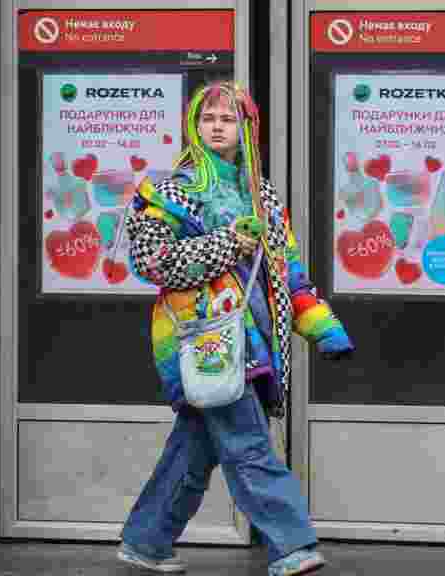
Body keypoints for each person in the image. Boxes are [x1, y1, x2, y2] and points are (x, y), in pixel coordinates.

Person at [117, 80, 354, 575]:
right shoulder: (167, 190)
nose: (218, 126)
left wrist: (323, 328)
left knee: (195, 447)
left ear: (247, 127)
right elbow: (153, 262)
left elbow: (288, 270)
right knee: (247, 442)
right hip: (203, 337)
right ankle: (292, 546)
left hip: (256, 340)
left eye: (229, 118)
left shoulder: (261, 195)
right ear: (193, 127)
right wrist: (226, 243)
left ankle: (146, 540)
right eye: (208, 119)